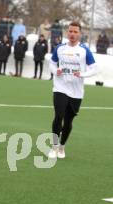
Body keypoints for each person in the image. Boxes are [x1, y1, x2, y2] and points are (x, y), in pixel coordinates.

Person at [48, 21, 97, 159]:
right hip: (60, 87)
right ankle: (54, 146)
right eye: (70, 31)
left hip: (76, 91)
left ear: (80, 34)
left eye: (75, 32)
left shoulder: (84, 50)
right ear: (67, 32)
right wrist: (55, 71)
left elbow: (94, 68)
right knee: (58, 116)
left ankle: (62, 147)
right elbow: (51, 63)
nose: (72, 34)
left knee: (68, 121)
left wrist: (82, 74)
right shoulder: (59, 48)